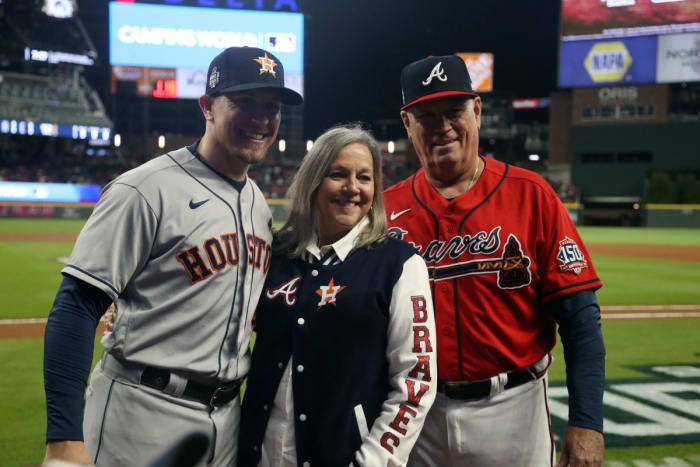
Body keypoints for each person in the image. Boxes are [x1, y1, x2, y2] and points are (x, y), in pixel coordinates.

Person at [42, 46, 303, 466]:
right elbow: (75, 307)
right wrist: (63, 438)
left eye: (271, 107)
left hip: (226, 418)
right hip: (141, 410)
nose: (261, 119)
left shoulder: (257, 202)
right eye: (244, 103)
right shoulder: (145, 190)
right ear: (208, 107)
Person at [383, 54, 606, 466]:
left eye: (453, 111)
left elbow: (580, 318)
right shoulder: (384, 211)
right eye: (427, 115)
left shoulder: (532, 194)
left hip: (513, 409)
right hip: (414, 413)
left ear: (477, 111)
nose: (443, 127)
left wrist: (588, 421)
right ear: (407, 123)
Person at [237, 124, 437, 467]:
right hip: (260, 454)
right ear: (314, 180)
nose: (352, 188)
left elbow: (415, 383)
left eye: (365, 177)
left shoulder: (399, 264)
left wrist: (373, 461)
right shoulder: (278, 254)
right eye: (338, 174)